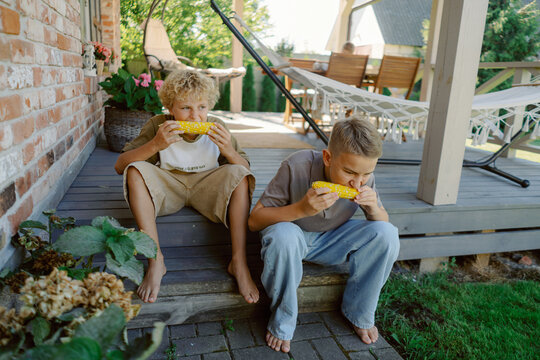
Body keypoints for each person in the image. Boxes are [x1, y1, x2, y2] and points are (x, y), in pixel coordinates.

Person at [248, 117, 399, 353]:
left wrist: (374, 209)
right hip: (291, 240)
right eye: (349, 172)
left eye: (366, 174)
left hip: (331, 241)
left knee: (387, 233)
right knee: (283, 235)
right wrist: (301, 209)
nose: (357, 182)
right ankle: (283, 318)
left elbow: (383, 227)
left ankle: (359, 313)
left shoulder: (363, 175)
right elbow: (254, 220)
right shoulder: (296, 166)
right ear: (328, 158)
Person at [114, 69, 259, 305]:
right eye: (186, 108)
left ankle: (239, 262)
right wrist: (155, 144)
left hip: (207, 188)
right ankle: (155, 259)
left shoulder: (218, 126)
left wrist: (229, 151)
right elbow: (120, 165)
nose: (195, 116)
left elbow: (245, 169)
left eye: (202, 107)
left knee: (240, 174)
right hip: (169, 186)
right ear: (170, 108)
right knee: (135, 171)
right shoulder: (157, 125)